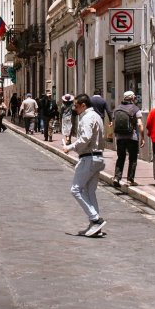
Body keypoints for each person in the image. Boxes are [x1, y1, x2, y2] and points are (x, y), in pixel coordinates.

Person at [64, 93, 107, 237]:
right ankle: (95, 227)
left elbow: (85, 138)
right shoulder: (97, 117)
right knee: (89, 191)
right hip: (97, 157)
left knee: (75, 190)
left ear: (83, 105)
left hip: (89, 158)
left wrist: (69, 147)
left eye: (76, 106)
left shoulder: (87, 117)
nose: (74, 109)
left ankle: (95, 219)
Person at [111, 90, 143, 188]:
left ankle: (117, 177)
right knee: (132, 158)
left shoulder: (117, 109)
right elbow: (140, 124)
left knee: (121, 157)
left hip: (120, 137)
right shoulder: (135, 109)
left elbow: (113, 123)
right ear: (132, 98)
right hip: (132, 137)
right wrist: (142, 137)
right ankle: (130, 180)